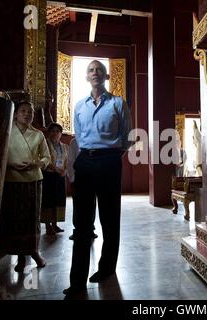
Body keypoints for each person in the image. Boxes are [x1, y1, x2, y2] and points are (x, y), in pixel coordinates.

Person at [63, 60, 132, 297]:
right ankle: (77, 282)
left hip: (109, 162)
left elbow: (126, 138)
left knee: (109, 218)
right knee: (82, 224)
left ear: (106, 76)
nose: (95, 73)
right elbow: (79, 137)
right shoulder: (80, 106)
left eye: (99, 70)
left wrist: (110, 155)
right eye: (91, 70)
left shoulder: (118, 103)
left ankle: (106, 268)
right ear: (86, 77)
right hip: (85, 162)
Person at [0, 100, 51, 272]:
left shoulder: (38, 135)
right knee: (14, 218)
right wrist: (10, 165)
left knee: (32, 218)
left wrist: (36, 164)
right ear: (16, 113)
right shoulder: (6, 131)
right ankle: (19, 256)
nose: (27, 114)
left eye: (30, 112)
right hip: (11, 180)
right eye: (23, 111)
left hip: (33, 180)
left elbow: (47, 158)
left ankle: (34, 252)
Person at [67, 137, 97, 240]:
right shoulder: (74, 141)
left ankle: (90, 229)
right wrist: (72, 179)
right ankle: (78, 230)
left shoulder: (95, 139)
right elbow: (70, 161)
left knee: (92, 204)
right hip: (78, 178)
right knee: (78, 205)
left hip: (93, 177)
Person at [41, 122, 68, 235]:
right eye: (52, 131)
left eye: (58, 131)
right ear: (49, 132)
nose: (55, 133)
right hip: (49, 175)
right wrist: (56, 169)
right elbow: (44, 159)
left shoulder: (64, 146)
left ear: (61, 134)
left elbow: (67, 161)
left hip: (60, 176)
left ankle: (55, 224)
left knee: (59, 199)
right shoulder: (45, 144)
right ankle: (48, 226)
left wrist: (64, 171)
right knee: (48, 200)